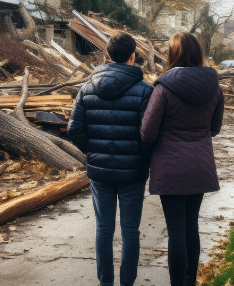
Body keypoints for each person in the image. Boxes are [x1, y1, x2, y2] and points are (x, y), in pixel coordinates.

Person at [68, 32, 153, 286]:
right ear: (133, 56)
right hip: (132, 172)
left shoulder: (87, 88)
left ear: (107, 56)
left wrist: (92, 151)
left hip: (100, 171)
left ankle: (105, 282)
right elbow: (148, 133)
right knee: (130, 232)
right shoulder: (145, 90)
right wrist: (142, 159)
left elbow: (74, 129)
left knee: (103, 229)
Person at [140, 31, 224, 286]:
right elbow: (215, 128)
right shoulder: (214, 87)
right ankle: (190, 282)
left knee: (176, 229)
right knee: (191, 226)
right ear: (198, 53)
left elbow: (147, 131)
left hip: (170, 166)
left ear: (172, 54)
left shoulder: (164, 87)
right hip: (199, 164)